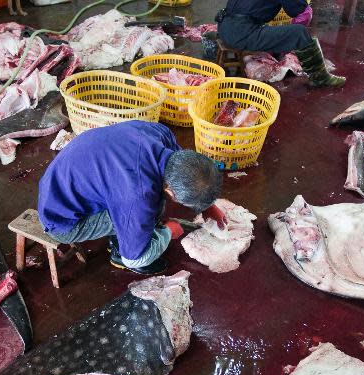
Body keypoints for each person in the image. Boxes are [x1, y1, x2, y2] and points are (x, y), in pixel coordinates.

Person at [38, 121, 226, 275]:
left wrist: (206, 204)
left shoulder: (159, 133)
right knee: (148, 220)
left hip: (63, 180)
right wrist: (168, 232)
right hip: (61, 220)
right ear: (171, 192)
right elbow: (134, 258)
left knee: (149, 210)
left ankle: (129, 233)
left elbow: (190, 169)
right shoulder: (138, 196)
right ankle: (118, 252)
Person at [216, 0, 345, 87]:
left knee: (279, 32)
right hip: (242, 33)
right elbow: (299, 10)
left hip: (224, 27)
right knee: (299, 32)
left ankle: (280, 53)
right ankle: (320, 78)